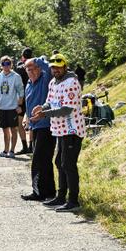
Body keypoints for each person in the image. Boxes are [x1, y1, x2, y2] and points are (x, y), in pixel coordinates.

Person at [31, 53, 86, 212]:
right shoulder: (53, 82)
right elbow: (50, 101)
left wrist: (44, 114)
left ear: (65, 66)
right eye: (53, 67)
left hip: (72, 129)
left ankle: (73, 200)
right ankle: (61, 196)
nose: (55, 70)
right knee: (59, 162)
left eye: (58, 67)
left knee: (68, 164)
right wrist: (42, 107)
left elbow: (66, 109)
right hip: (60, 130)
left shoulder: (72, 82)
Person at [20, 57, 56, 201]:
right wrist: (26, 118)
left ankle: (39, 192)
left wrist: (36, 60)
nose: (33, 71)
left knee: (38, 160)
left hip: (46, 125)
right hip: (35, 126)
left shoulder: (45, 78)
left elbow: (47, 66)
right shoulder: (28, 84)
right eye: (29, 69)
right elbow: (29, 104)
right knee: (44, 160)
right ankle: (49, 191)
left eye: (35, 68)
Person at [0, 56, 25, 159]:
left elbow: (21, 92)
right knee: (4, 130)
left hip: (12, 107)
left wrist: (19, 105)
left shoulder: (16, 76)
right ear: (1, 65)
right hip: (2, 107)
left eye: (8, 64)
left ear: (11, 65)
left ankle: (12, 151)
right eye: (3, 64)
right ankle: (5, 150)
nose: (6, 66)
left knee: (13, 129)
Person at [14, 48, 33, 154]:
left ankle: (25, 146)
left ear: (22, 57)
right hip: (32, 97)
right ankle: (31, 146)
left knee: (19, 123)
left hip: (22, 99)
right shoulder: (36, 66)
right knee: (32, 122)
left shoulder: (20, 68)